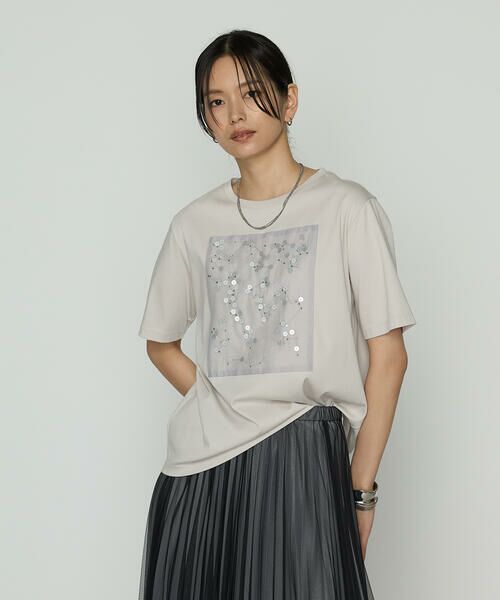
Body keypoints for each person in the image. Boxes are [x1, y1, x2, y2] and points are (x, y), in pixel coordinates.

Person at [137, 29, 416, 600]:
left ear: (289, 100)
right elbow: (160, 342)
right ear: (206, 118)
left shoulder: (348, 208)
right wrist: (221, 402)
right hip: (200, 471)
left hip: (305, 458)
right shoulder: (193, 224)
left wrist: (360, 492)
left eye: (251, 92)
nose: (235, 114)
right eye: (217, 101)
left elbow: (389, 358)